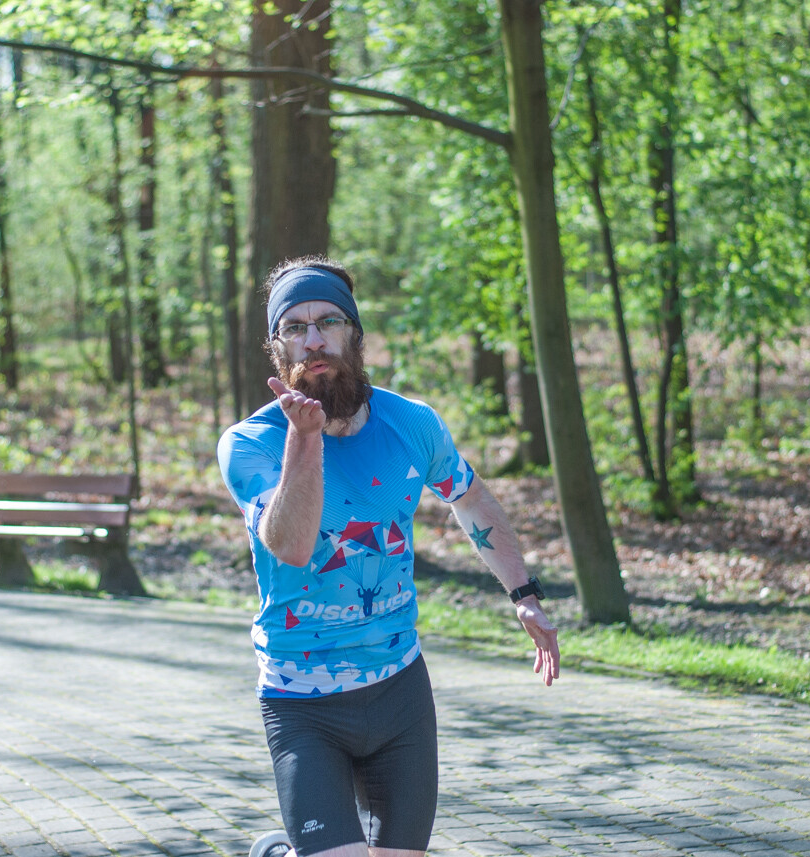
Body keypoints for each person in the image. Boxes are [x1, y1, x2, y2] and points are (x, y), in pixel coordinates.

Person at [217, 256, 560, 857]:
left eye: (327, 321)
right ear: (277, 348)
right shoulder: (252, 443)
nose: (313, 339)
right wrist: (305, 438)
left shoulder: (411, 423)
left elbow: (471, 497)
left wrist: (523, 594)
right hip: (302, 702)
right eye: (293, 327)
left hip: (399, 691)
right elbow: (293, 547)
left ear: (355, 333)